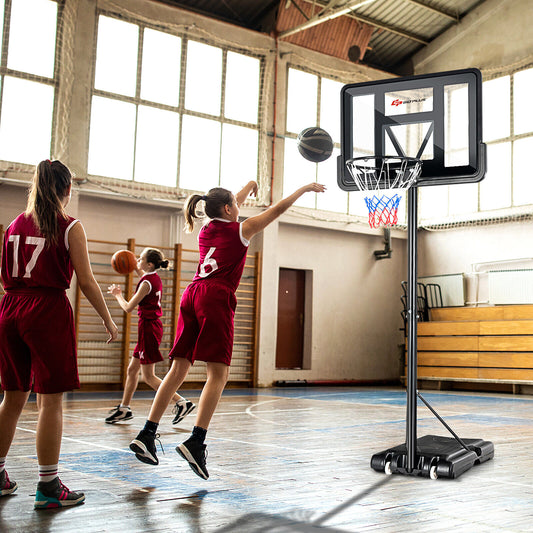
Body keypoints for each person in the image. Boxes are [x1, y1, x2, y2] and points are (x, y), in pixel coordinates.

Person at [129, 180, 326, 479]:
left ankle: (147, 433)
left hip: (191, 294)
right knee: (218, 374)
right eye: (235, 203)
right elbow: (276, 210)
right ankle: (196, 442)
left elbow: (227, 203)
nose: (239, 205)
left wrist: (248, 185)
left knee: (178, 369)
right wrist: (303, 189)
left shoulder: (207, 227)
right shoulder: (242, 230)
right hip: (215, 297)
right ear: (228, 208)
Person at [0, 159, 118, 509]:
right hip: (46, 310)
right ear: (67, 189)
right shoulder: (69, 226)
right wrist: (109, 320)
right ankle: (49, 486)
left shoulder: (14, 225)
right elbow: (87, 281)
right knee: (50, 401)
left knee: (12, 398)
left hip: (10, 307)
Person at [105, 248, 195, 425]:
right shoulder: (152, 277)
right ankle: (124, 408)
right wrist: (134, 267)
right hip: (148, 328)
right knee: (132, 370)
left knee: (148, 376)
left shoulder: (146, 283)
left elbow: (128, 307)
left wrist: (118, 295)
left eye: (140, 259)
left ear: (149, 264)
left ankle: (182, 402)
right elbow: (143, 277)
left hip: (149, 330)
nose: (137, 260)